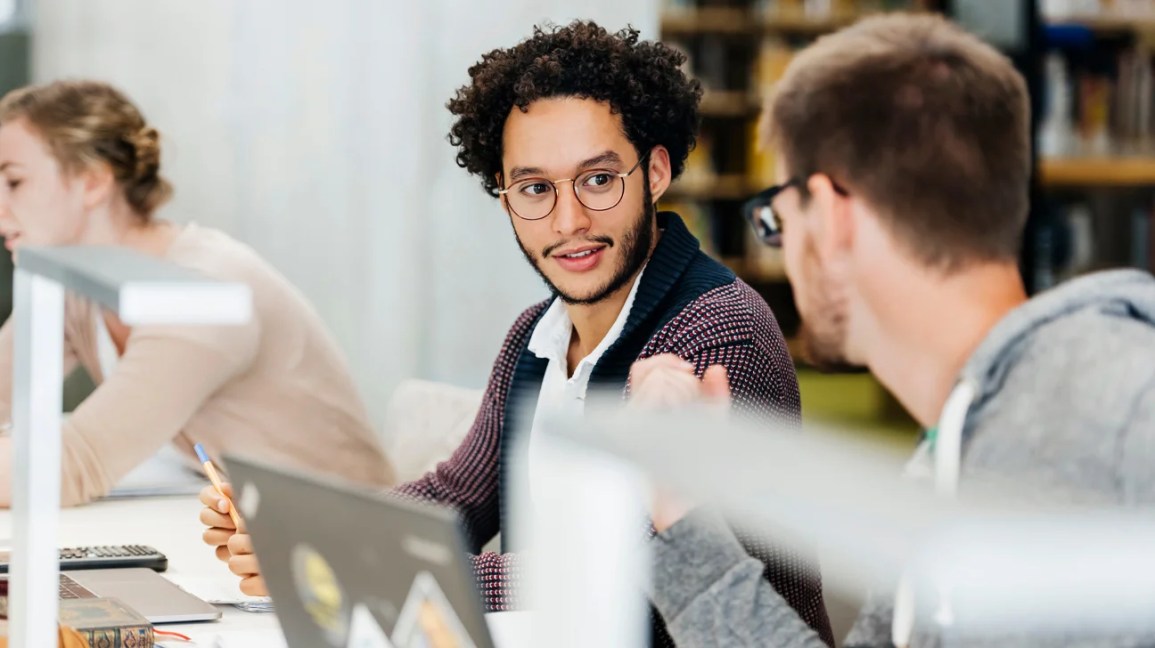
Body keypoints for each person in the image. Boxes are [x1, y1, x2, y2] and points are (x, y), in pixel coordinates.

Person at [199, 21, 835, 645]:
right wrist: (302, 533)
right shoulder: (536, 335)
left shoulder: (715, 336)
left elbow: (626, 574)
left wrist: (358, 561)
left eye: (598, 179)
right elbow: (456, 497)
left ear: (656, 172)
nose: (569, 220)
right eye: (534, 188)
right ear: (505, 199)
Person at [632, 12, 1155, 647]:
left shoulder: (1123, 402)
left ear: (826, 215)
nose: (784, 248)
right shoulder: (947, 458)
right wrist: (686, 515)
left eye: (776, 220)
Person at [0, 80, 395, 506]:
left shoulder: (204, 291)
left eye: (15, 182)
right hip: (229, 516)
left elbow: (71, 467)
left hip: (335, 537)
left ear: (94, 182)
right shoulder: (76, 280)